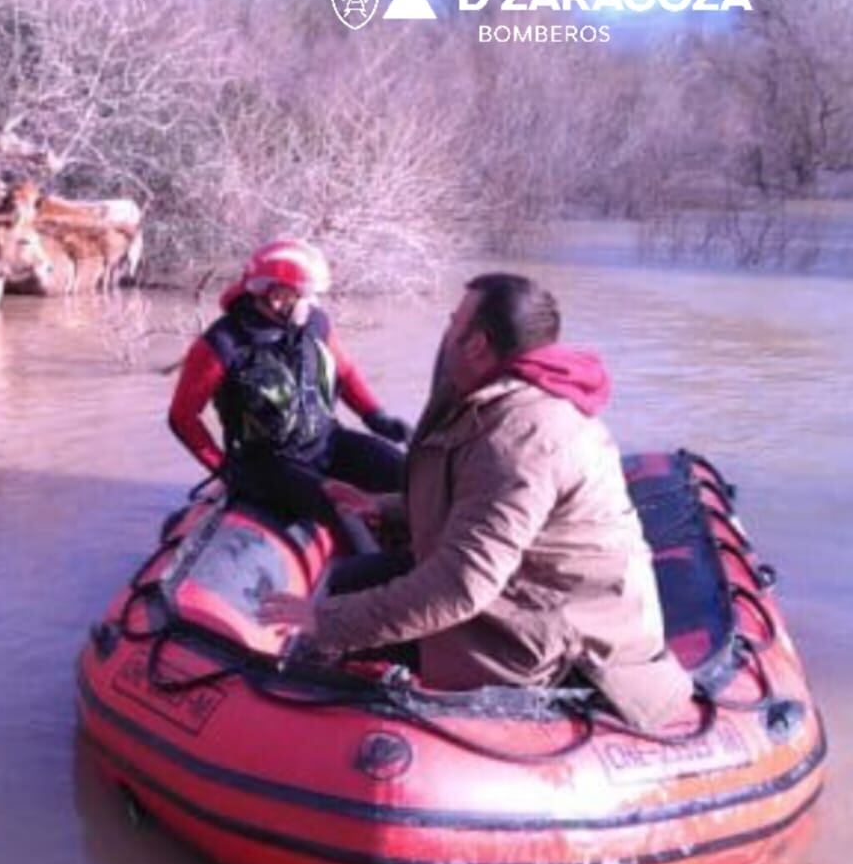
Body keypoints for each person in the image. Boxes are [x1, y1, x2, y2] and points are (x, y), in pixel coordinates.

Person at [259, 273, 693, 731]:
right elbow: (478, 507)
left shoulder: (520, 437)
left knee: (319, 636)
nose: (444, 333)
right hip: (522, 591)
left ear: (478, 345)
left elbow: (460, 587)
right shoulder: (499, 405)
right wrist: (382, 506)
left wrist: (326, 623)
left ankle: (320, 744)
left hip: (557, 637)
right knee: (344, 584)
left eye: (453, 323)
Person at [168, 239, 410, 520]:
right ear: (276, 295)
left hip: (326, 441)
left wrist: (375, 416)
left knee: (407, 474)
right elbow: (182, 417)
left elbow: (345, 372)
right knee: (347, 513)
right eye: (303, 295)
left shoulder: (315, 323)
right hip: (268, 464)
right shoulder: (222, 343)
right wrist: (224, 468)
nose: (312, 303)